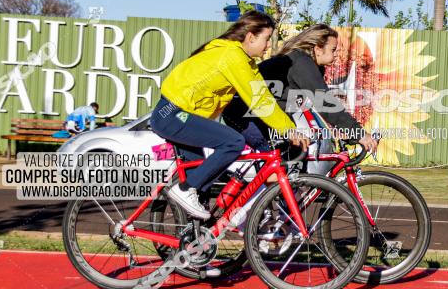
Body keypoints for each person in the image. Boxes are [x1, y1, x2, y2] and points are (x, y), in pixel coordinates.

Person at [150, 11, 308, 219]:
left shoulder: (242, 59)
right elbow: (259, 100)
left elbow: (260, 96)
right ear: (251, 37)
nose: (269, 45)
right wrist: (288, 129)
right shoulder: (232, 57)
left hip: (180, 115)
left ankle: (191, 243)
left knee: (202, 188)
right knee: (233, 142)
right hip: (172, 115)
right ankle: (184, 189)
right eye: (266, 39)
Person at [223, 24, 377, 156]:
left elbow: (317, 111)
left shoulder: (308, 64)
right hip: (243, 114)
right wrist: (359, 133)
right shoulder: (302, 62)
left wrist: (349, 135)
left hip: (264, 116)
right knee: (278, 166)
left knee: (298, 153)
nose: (336, 54)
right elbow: (326, 103)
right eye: (333, 49)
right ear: (317, 49)